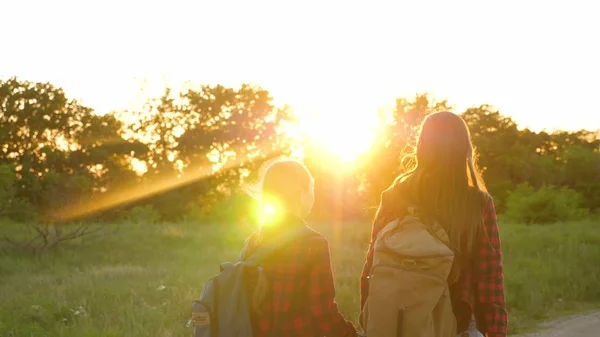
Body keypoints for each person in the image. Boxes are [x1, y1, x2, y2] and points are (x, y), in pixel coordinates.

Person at [360, 111, 508, 337]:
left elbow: (371, 266)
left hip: (395, 323)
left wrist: (372, 318)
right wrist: (495, 332)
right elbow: (489, 278)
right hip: (456, 323)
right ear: (465, 150)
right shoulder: (477, 203)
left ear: (421, 147)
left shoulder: (394, 195)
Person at [242, 158, 359, 337]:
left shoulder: (254, 242)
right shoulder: (314, 244)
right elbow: (322, 313)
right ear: (302, 194)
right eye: (311, 189)